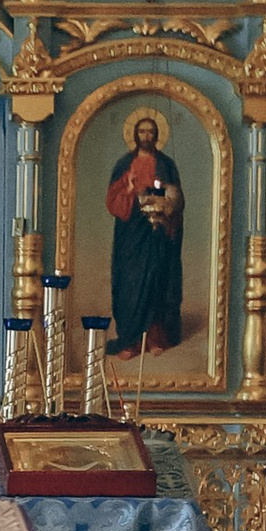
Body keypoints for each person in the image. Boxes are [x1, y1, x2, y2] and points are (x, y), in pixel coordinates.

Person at [107, 116, 184, 354]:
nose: (147, 136)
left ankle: (155, 338)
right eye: (142, 132)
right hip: (131, 233)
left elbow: (177, 199)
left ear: (157, 135)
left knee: (156, 280)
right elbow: (113, 201)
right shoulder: (123, 165)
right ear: (135, 135)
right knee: (131, 282)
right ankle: (130, 340)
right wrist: (129, 189)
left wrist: (166, 205)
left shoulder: (166, 164)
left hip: (157, 232)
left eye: (151, 132)